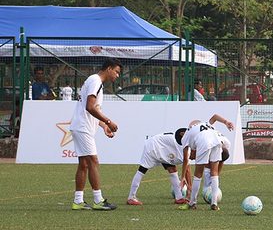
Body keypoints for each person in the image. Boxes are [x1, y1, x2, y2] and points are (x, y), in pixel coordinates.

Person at [69, 58, 122, 211]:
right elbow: (90, 107)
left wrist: (104, 126)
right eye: (116, 72)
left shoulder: (95, 81)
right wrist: (109, 121)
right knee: (93, 161)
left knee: (84, 164)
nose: (117, 75)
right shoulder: (95, 81)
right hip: (83, 127)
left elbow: (93, 109)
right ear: (109, 68)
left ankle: (78, 201)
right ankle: (98, 200)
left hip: (81, 126)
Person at [179, 114, 234, 211]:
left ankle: (192, 203)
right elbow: (215, 116)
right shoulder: (206, 124)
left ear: (190, 126)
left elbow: (185, 159)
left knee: (198, 174)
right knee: (214, 173)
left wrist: (183, 177)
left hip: (203, 142)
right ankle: (214, 203)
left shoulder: (187, 134)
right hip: (217, 141)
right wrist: (226, 122)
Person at [126, 128, 192, 206]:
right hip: (153, 145)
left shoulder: (188, 147)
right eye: (194, 157)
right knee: (142, 170)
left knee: (172, 169)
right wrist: (189, 188)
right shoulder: (188, 149)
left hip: (165, 149)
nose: (193, 159)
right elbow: (187, 169)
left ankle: (179, 198)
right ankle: (131, 197)